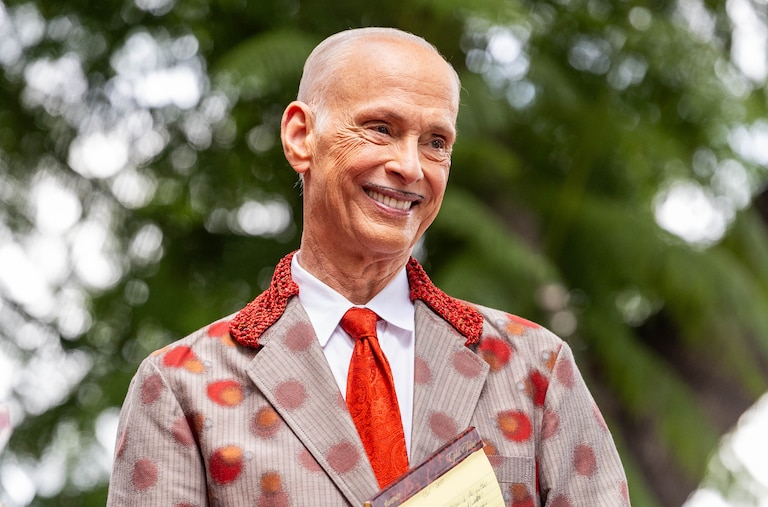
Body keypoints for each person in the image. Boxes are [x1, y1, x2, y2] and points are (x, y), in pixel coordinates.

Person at [107, 27, 629, 506]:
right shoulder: (182, 387)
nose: (410, 166)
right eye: (381, 128)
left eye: (436, 143)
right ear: (300, 137)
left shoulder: (532, 366)